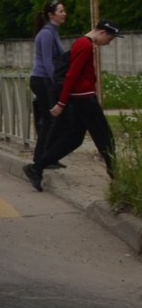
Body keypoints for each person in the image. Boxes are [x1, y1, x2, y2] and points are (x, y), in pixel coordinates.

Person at [23, 20, 122, 192]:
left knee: (73, 139)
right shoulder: (85, 45)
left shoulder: (81, 43)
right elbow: (72, 75)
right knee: (105, 137)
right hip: (85, 99)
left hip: (79, 99)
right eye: (110, 38)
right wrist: (61, 103)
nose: (109, 43)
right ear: (102, 33)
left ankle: (36, 168)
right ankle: (118, 179)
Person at [29, 0, 67, 169]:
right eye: (61, 11)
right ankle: (41, 158)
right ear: (51, 15)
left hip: (46, 80)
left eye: (64, 11)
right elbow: (46, 61)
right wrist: (57, 81)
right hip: (42, 79)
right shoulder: (46, 33)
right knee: (49, 120)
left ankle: (49, 156)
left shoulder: (53, 32)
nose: (64, 14)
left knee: (54, 120)